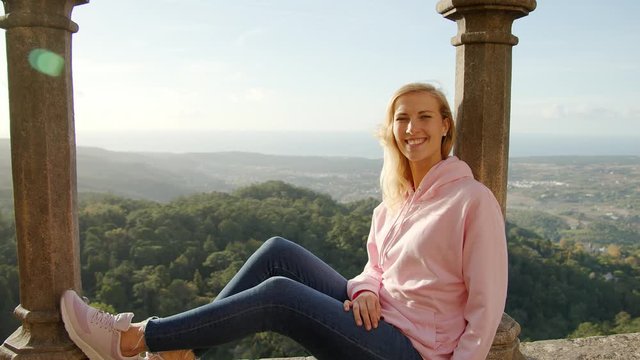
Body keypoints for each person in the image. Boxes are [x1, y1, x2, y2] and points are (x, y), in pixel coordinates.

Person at [60, 82, 508, 360]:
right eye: (402, 118)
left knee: (279, 297)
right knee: (278, 252)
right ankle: (177, 351)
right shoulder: (393, 202)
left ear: (446, 125)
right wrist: (367, 287)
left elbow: (486, 309)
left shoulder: (471, 201)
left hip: (413, 352)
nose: (413, 127)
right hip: (377, 320)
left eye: (425, 116)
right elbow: (374, 267)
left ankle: (135, 340)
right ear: (391, 129)